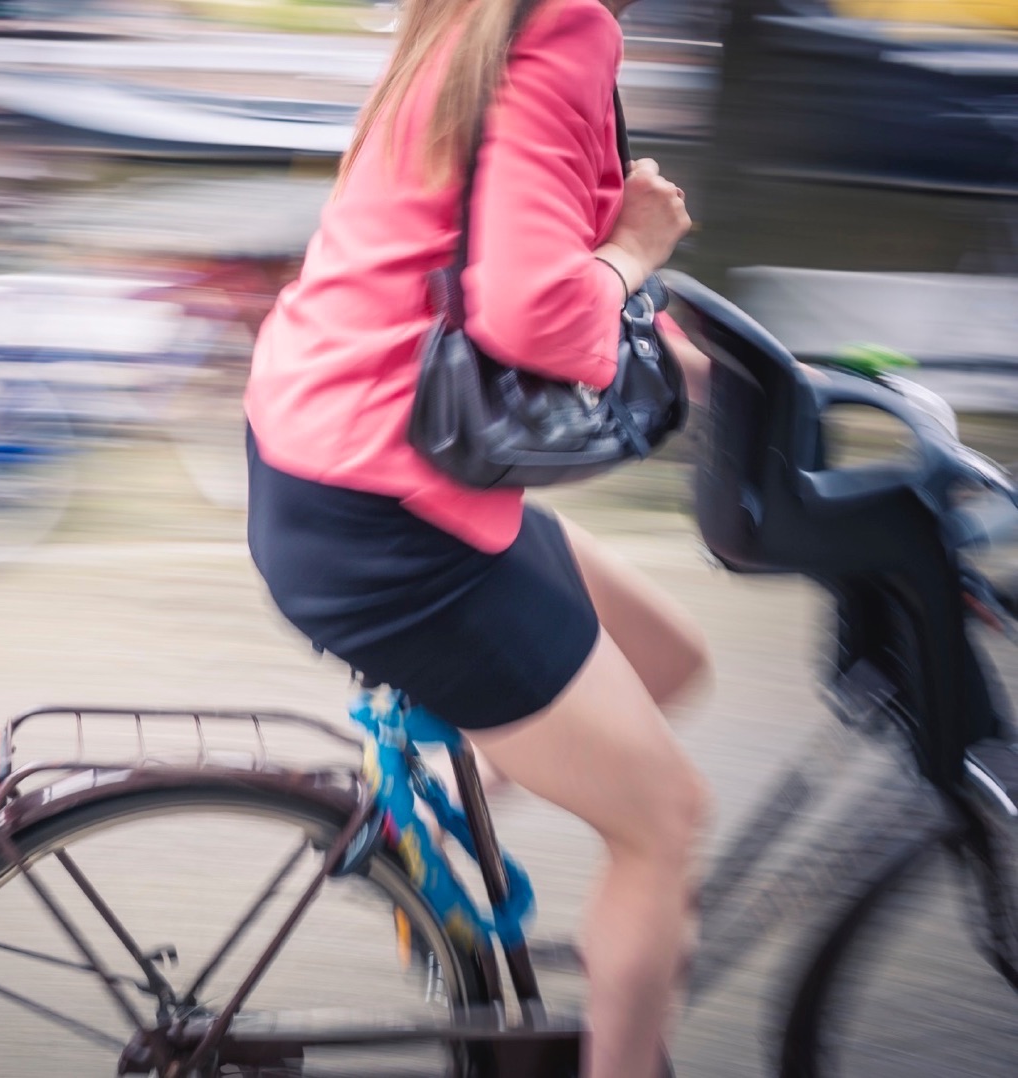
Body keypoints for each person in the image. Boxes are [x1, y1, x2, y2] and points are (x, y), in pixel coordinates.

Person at [243, 0, 714, 1074]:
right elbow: (537, 313)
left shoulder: (471, 17)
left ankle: (423, 825)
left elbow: (537, 230)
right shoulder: (562, 26)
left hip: (330, 466)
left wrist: (695, 357)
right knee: (666, 821)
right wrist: (638, 249)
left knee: (668, 658)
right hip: (388, 523)